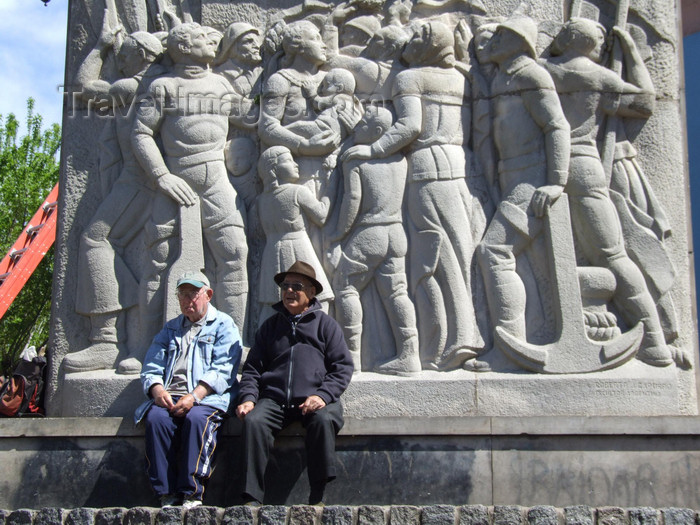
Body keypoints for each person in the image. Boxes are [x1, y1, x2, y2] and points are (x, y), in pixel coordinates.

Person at [236, 261, 353, 505]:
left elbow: (342, 368)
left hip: (315, 397)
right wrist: (248, 398)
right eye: (285, 286)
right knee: (254, 422)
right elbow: (252, 369)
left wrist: (322, 395)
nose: (289, 291)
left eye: (297, 286)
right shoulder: (270, 327)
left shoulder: (326, 325)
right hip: (275, 400)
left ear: (312, 293)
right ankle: (251, 498)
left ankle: (318, 493)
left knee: (323, 420)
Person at [134, 270, 242, 509]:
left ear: (208, 294)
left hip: (208, 398)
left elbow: (224, 369)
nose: (187, 300)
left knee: (196, 420)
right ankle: (166, 493)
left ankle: (192, 492)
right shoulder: (170, 329)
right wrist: (156, 389)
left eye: (193, 293)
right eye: (182, 294)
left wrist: (194, 396)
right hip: (170, 396)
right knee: (156, 419)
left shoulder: (224, 324)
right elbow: (151, 365)